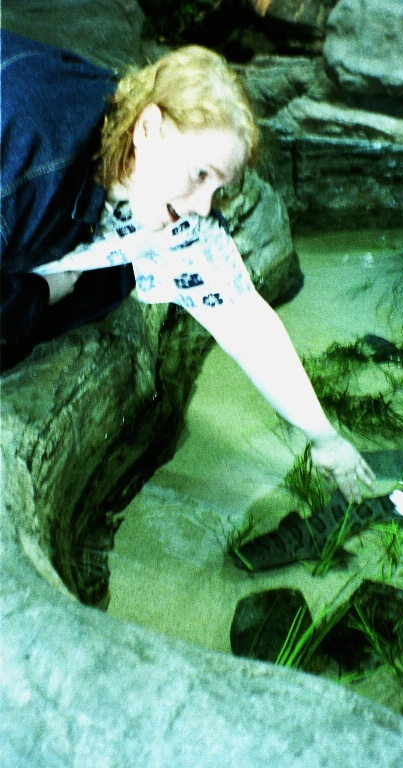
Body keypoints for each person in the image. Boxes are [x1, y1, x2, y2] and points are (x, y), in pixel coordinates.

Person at [1, 30, 376, 503]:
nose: (203, 205)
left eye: (217, 188)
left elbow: (245, 322)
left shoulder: (174, 209)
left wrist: (326, 440)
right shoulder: (24, 164)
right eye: (199, 173)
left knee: (104, 291)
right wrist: (36, 295)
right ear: (147, 129)